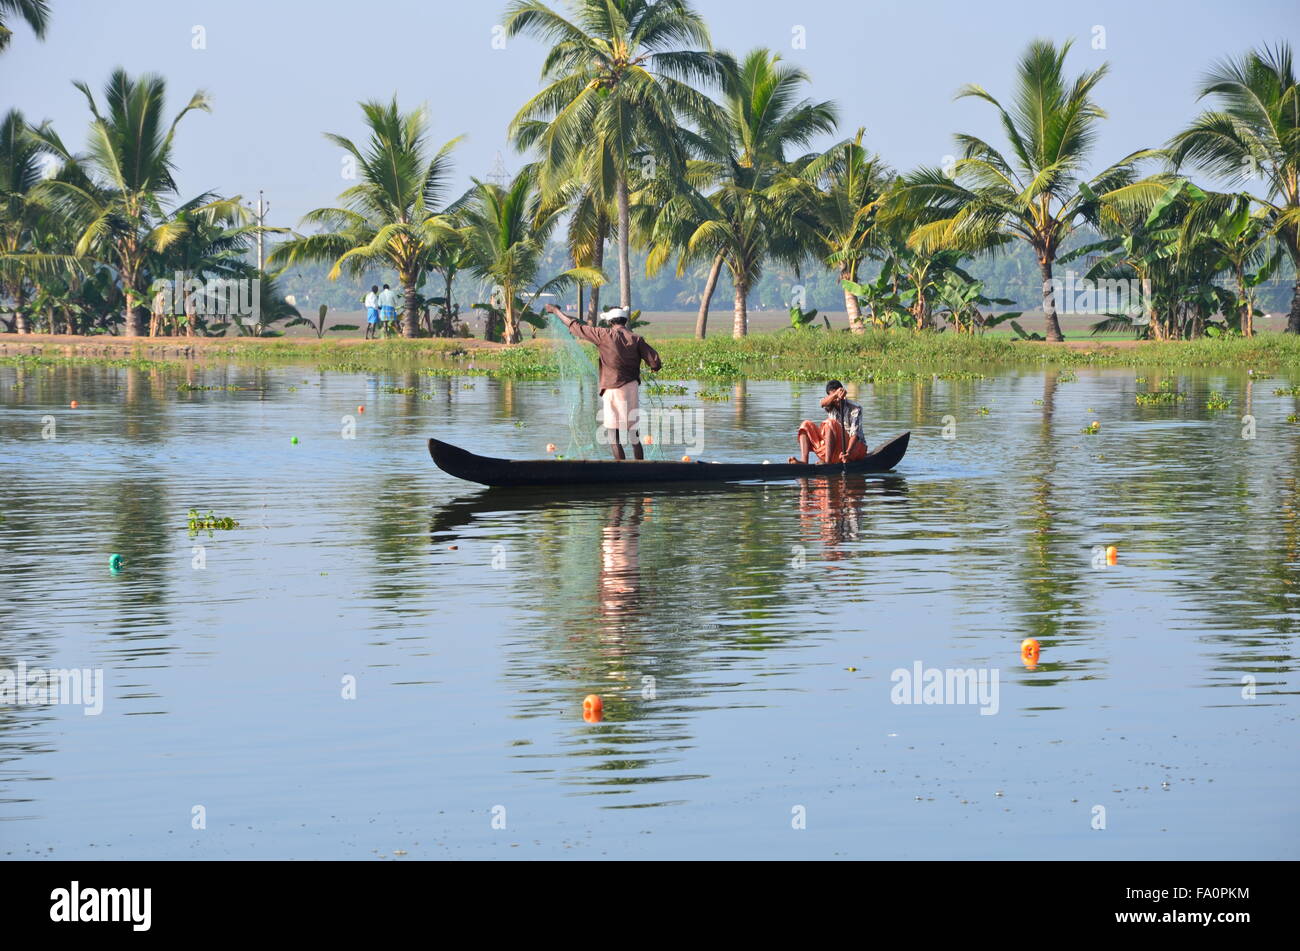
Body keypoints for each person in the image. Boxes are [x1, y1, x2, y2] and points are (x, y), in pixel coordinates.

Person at [545, 304, 662, 460]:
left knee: (614, 436)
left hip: (613, 389)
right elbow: (655, 363)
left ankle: (621, 471)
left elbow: (575, 326)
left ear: (610, 322)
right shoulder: (637, 339)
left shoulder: (603, 335)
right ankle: (639, 468)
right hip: (631, 389)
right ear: (625, 321)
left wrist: (555, 311)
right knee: (634, 434)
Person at [792, 380, 868, 464]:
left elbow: (855, 435)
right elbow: (822, 403)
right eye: (833, 397)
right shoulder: (830, 404)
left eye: (838, 395)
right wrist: (835, 395)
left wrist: (848, 452)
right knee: (805, 424)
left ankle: (827, 463)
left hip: (854, 448)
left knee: (830, 423)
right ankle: (804, 461)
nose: (837, 400)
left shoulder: (855, 408)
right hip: (834, 447)